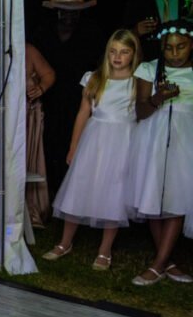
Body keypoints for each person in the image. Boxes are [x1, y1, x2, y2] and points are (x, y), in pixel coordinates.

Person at [41, 30, 139, 270]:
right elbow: (83, 113)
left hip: (122, 141)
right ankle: (65, 242)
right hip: (94, 139)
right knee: (80, 184)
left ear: (133, 55)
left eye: (124, 52)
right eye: (113, 51)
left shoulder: (138, 82)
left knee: (114, 189)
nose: (117, 57)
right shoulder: (94, 78)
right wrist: (74, 145)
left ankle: (105, 250)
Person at [128, 19, 193, 286]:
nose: (175, 53)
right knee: (152, 196)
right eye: (169, 48)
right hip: (152, 139)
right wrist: (159, 98)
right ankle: (168, 262)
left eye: (181, 47)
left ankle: (157, 265)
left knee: (178, 197)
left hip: (185, 142)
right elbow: (140, 112)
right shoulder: (149, 69)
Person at [33, 0, 103, 197]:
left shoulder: (92, 33)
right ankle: (51, 193)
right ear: (57, 12)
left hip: (79, 99)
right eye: (65, 11)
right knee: (49, 144)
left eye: (75, 11)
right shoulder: (43, 32)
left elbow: (101, 65)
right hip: (49, 99)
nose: (70, 16)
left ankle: (76, 195)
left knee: (76, 145)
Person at [24, 43, 55, 229]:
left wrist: (41, 88)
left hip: (26, 117)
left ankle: (30, 207)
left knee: (25, 159)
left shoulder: (29, 50)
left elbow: (49, 74)